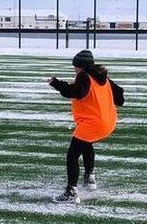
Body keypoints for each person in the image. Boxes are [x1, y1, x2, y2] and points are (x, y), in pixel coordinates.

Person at [47, 50, 120, 204]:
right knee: (86, 144)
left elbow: (76, 92)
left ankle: (71, 191)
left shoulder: (84, 76)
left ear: (82, 66)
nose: (75, 70)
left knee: (72, 155)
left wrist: (57, 84)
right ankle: (89, 178)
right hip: (107, 122)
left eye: (76, 67)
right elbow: (120, 97)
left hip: (93, 123)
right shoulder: (102, 78)